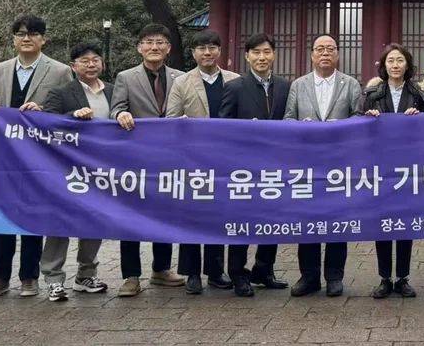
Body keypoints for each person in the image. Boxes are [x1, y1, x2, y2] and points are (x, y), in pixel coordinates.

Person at [0, 14, 74, 300]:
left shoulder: (60, 71)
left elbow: (68, 111)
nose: (26, 38)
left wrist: (43, 111)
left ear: (44, 39)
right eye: (20, 33)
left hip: (39, 156)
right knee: (1, 211)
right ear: (14, 39)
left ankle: (29, 276)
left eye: (33, 33)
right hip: (4, 156)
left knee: (34, 212)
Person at [283, 33, 364, 297]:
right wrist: (301, 126)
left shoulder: (350, 84)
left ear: (338, 54)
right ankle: (309, 276)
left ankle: (334, 277)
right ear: (312, 55)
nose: (325, 53)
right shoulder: (298, 85)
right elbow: (288, 119)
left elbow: (359, 118)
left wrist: (341, 126)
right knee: (308, 220)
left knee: (337, 220)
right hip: (306, 164)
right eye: (320, 49)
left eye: (330, 48)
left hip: (339, 163)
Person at [109, 23, 185, 296]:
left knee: (164, 214)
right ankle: (131, 276)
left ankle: (161, 269)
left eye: (160, 42)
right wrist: (120, 114)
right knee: (130, 217)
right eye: (149, 42)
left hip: (170, 158)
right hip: (135, 159)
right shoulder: (125, 77)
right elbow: (116, 108)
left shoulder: (181, 77)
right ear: (139, 48)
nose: (154, 47)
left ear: (168, 48)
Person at [38, 41, 115, 302]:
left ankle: (86, 275)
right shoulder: (60, 93)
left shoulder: (113, 91)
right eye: (84, 60)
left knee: (95, 221)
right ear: (73, 66)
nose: (91, 64)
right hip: (67, 170)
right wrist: (72, 115)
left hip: (102, 170)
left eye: (95, 59)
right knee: (60, 223)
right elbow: (47, 125)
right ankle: (53, 279)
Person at [166, 30, 240, 295]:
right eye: (201, 48)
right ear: (193, 53)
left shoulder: (234, 80)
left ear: (220, 50)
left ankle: (216, 271)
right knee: (192, 216)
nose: (207, 52)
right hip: (192, 160)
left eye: (212, 47)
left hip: (225, 160)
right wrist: (180, 124)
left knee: (218, 216)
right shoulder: (182, 82)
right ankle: (192, 273)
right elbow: (171, 119)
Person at [220, 33, 290, 297]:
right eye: (256, 52)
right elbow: (223, 125)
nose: (262, 57)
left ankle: (264, 269)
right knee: (242, 221)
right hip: (244, 167)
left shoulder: (285, 86)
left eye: (267, 52)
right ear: (247, 56)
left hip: (276, 165)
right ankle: (238, 273)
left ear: (274, 55)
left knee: (272, 219)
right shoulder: (235, 87)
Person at [362, 44, 424, 299]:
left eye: (400, 60)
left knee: (404, 222)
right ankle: (384, 277)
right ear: (384, 65)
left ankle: (402, 277)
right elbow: (358, 125)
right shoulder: (372, 94)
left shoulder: (419, 95)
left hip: (408, 167)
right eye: (390, 60)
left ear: (407, 65)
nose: (395, 65)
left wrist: (418, 118)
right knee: (383, 222)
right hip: (380, 166)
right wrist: (368, 117)